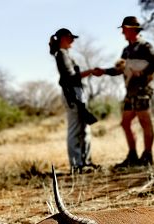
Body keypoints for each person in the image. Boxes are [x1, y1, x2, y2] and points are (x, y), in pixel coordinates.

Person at [93, 16, 154, 167]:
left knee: (145, 123)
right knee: (125, 123)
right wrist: (103, 71)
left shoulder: (144, 46)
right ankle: (132, 156)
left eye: (123, 29)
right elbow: (120, 69)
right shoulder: (127, 49)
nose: (122, 32)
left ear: (131, 29)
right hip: (130, 92)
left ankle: (147, 156)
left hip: (142, 90)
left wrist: (142, 74)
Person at [49, 28, 98, 174]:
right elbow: (71, 77)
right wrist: (90, 72)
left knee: (84, 128)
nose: (73, 40)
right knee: (75, 129)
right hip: (72, 94)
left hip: (76, 92)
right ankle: (76, 165)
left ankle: (85, 162)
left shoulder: (65, 54)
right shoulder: (62, 54)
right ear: (64, 38)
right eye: (71, 37)